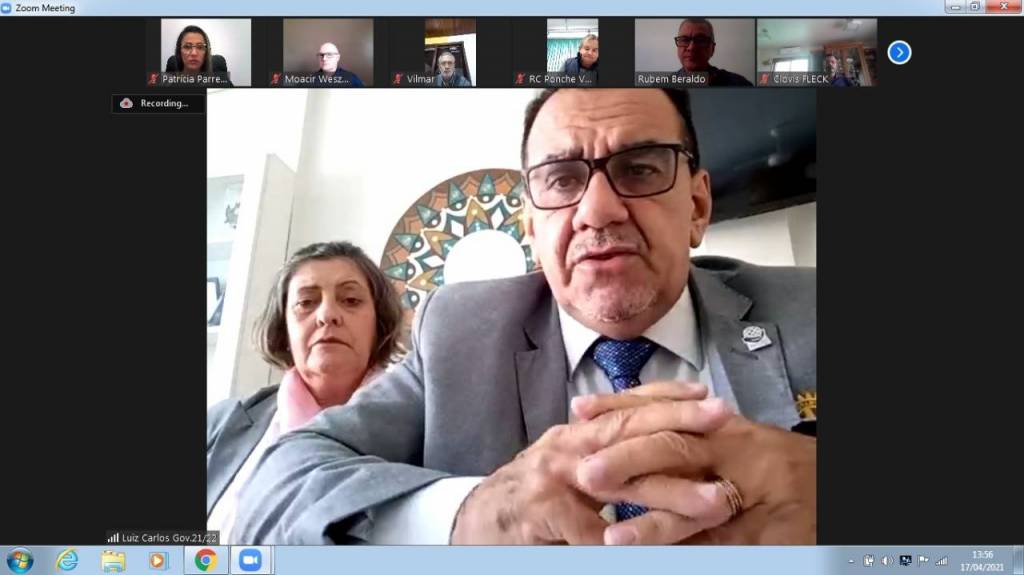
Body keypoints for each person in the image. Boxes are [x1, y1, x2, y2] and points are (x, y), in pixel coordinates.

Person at [234, 88, 816, 546]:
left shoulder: (811, 309)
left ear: (697, 205)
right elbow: (276, 488)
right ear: (532, 228)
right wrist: (472, 513)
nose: (598, 210)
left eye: (639, 169)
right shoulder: (460, 331)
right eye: (562, 180)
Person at [206, 241, 403, 544]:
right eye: (306, 302)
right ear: (284, 329)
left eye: (351, 300)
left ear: (380, 325)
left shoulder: (424, 428)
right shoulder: (222, 422)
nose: (327, 315)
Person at [674, 18, 752, 86]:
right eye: (684, 40)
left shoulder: (740, 84)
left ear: (712, 49)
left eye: (701, 40)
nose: (691, 48)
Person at [166, 25, 231, 85]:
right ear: (179, 51)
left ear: (206, 52)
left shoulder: (221, 80)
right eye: (187, 47)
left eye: (200, 47)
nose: (194, 53)